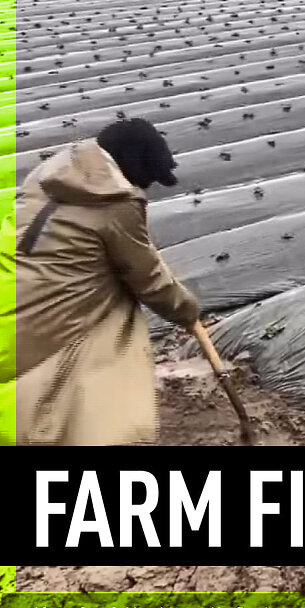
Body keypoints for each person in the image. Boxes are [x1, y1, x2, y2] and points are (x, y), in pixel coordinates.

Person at [1, 117, 201, 445]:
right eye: (147, 179)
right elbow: (150, 281)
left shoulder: (52, 173)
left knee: (23, 376)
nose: (146, 189)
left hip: (12, 286)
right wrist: (187, 310)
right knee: (93, 353)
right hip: (50, 308)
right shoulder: (116, 204)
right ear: (132, 166)